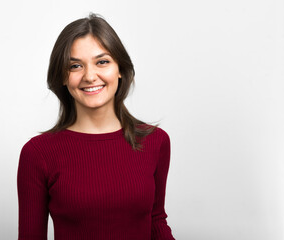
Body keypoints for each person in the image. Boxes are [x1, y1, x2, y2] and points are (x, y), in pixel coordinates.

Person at [17, 13, 175, 240]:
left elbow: (156, 220)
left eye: (102, 62)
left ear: (120, 69)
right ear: (62, 76)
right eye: (75, 66)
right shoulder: (37, 153)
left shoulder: (155, 141)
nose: (90, 76)